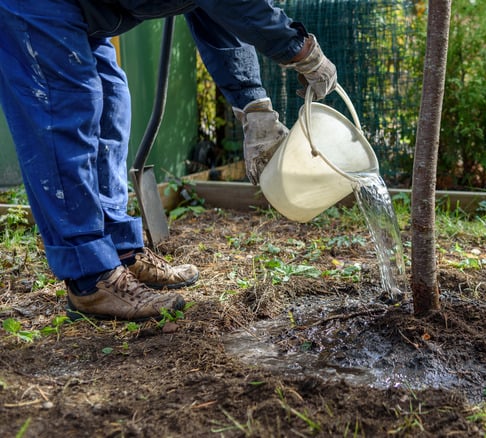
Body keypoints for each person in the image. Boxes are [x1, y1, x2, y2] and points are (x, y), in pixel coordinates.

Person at [0, 1, 337, 321]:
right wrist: (300, 49)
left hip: (89, 11)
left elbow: (215, 10)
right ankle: (90, 278)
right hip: (39, 7)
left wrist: (253, 105)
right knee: (64, 115)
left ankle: (119, 252)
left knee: (112, 104)